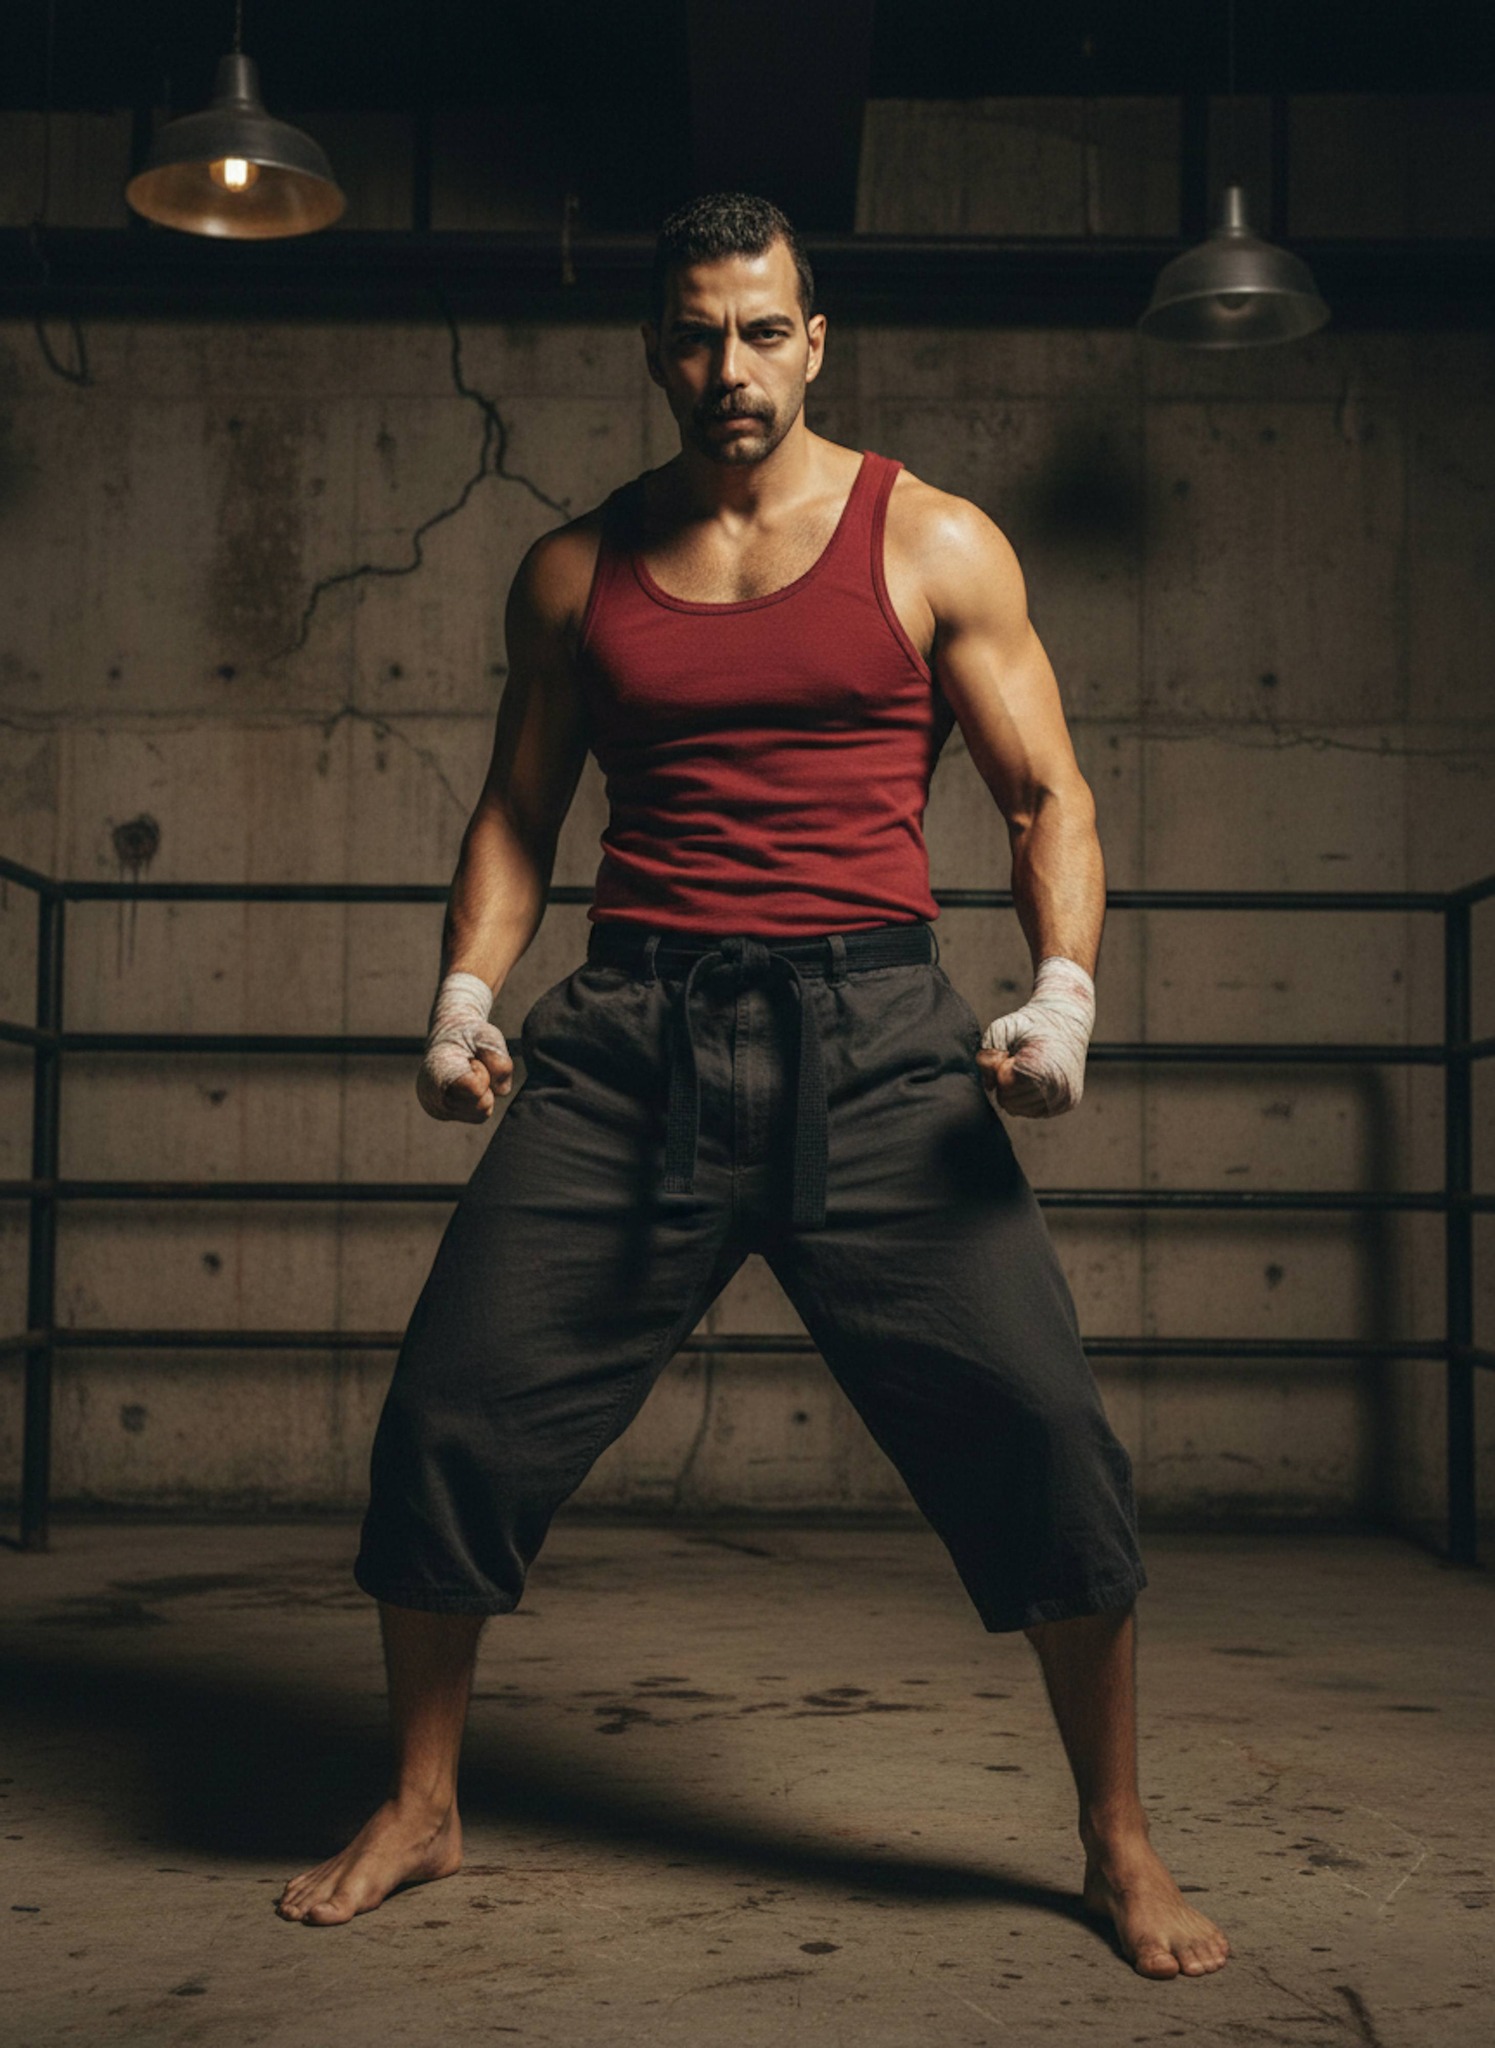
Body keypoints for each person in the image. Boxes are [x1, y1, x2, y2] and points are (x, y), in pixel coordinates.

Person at [276, 192, 1230, 1980]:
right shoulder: (575, 569)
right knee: (448, 1418)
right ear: (657, 348)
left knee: (1042, 1433)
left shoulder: (933, 540)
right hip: (631, 1038)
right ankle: (422, 1801)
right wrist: (467, 994)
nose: (732, 368)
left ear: (817, 338)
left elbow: (1048, 799)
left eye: (763, 331)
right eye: (698, 336)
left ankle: (1116, 1839)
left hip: (874, 1043)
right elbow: (516, 811)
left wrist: (1068, 997)